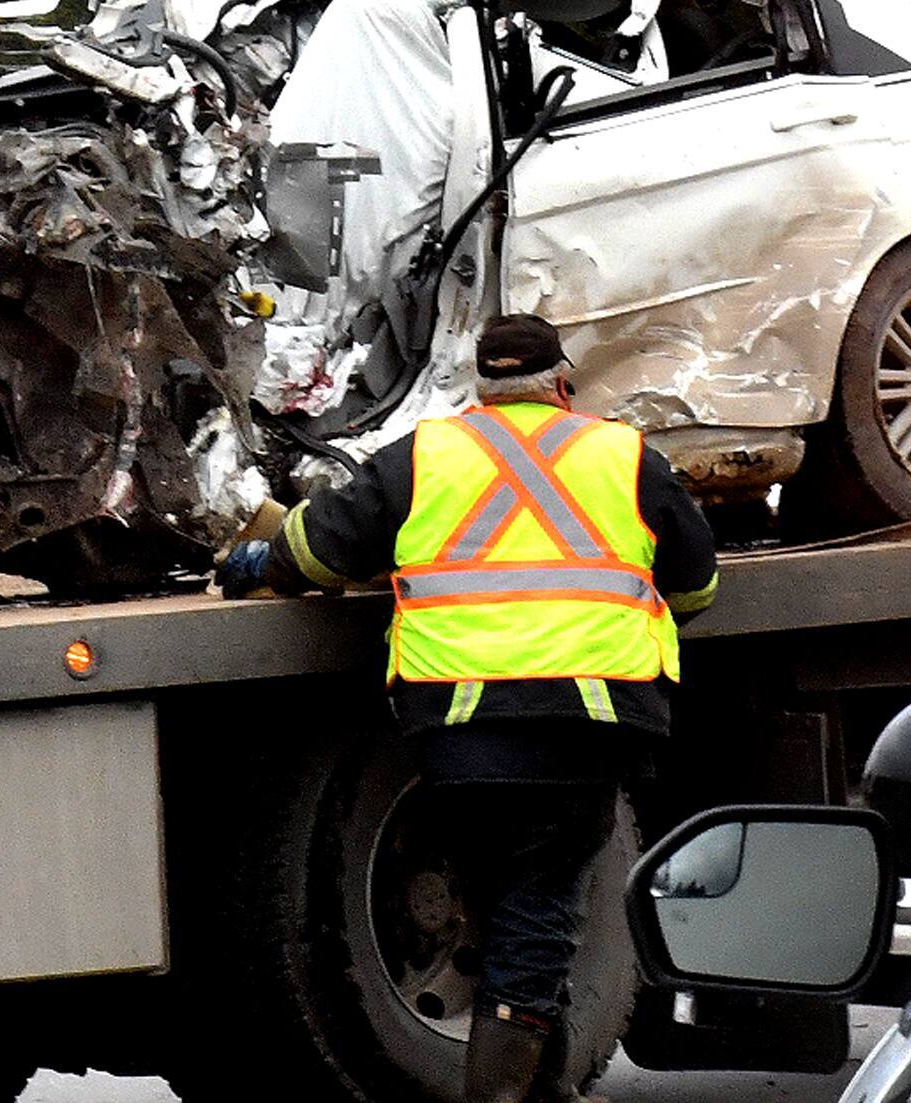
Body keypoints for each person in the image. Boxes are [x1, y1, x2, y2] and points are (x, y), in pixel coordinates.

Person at [219, 315, 719, 1103]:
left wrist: (258, 561)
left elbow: (321, 548)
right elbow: (697, 587)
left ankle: (540, 1085)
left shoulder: (426, 455)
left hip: (458, 734)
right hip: (582, 725)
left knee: (509, 909)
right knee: (541, 913)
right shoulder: (622, 456)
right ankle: (505, 1097)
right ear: (562, 384)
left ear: (481, 389)